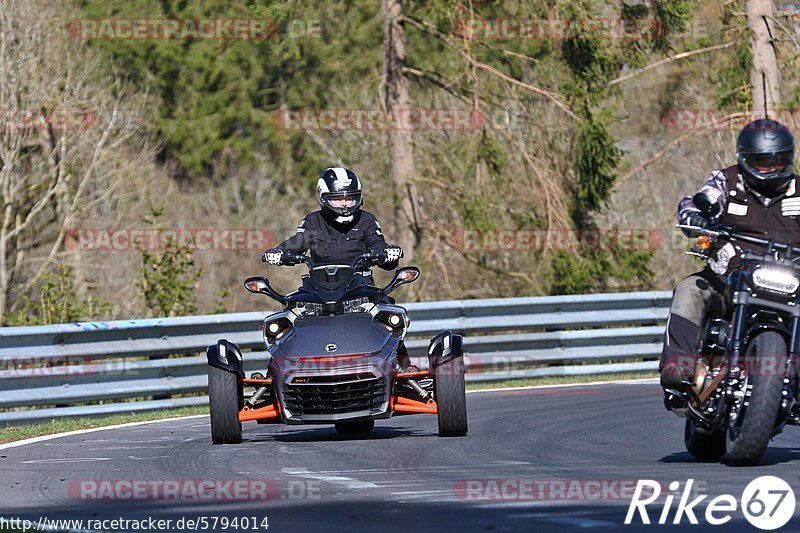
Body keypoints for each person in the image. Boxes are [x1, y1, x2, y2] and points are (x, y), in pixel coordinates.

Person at [660, 118, 800, 408]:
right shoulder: (727, 181)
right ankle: (678, 366)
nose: (771, 168)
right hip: (730, 279)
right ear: (746, 160)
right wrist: (695, 216)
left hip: (792, 283)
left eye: (778, 162)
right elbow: (693, 202)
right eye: (763, 163)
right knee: (690, 289)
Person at [262, 166, 414, 370]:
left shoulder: (366, 220)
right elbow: (297, 241)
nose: (344, 203)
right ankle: (275, 375)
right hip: (318, 292)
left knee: (391, 317)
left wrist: (388, 253)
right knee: (286, 322)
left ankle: (405, 369)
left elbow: (379, 245)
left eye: (350, 198)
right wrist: (278, 253)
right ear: (323, 197)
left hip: (360, 290)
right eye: (337, 198)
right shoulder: (313, 221)